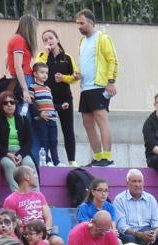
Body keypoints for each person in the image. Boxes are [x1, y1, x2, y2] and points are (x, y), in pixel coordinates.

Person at [74, 9, 118, 166]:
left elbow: (112, 59)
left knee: (101, 119)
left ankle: (107, 157)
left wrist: (111, 81)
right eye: (77, 23)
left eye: (81, 23)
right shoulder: (82, 42)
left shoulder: (102, 38)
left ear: (91, 22)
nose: (79, 26)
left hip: (99, 86)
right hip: (85, 87)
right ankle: (98, 156)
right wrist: (78, 74)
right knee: (87, 122)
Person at [35, 28, 77, 165]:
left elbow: (75, 76)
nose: (48, 41)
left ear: (57, 39)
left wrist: (64, 78)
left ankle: (72, 160)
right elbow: (36, 67)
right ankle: (47, 160)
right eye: (45, 40)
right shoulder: (42, 55)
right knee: (47, 132)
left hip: (64, 98)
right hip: (46, 101)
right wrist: (46, 53)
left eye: (50, 38)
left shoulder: (67, 57)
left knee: (68, 130)